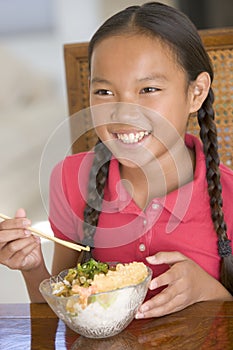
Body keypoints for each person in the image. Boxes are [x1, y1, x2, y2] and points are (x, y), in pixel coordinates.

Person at [0, 2, 232, 318]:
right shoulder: (72, 180)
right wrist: (32, 266)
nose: (124, 113)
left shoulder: (228, 196)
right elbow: (62, 314)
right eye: (105, 92)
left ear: (196, 92)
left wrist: (211, 291)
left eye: (148, 89)